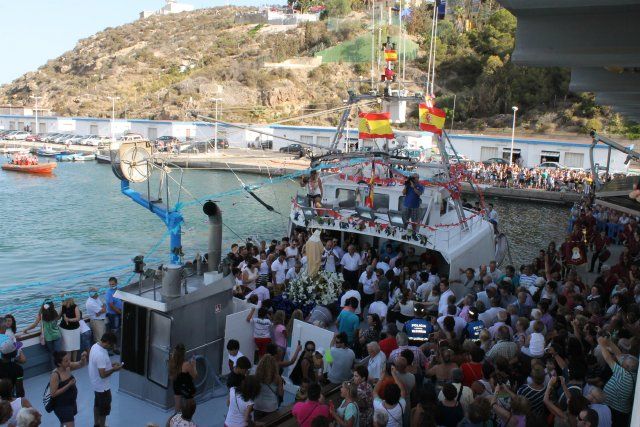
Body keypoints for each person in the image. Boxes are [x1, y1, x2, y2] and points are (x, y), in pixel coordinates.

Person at [88, 332, 121, 427]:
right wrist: (114, 369)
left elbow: (100, 365)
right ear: (107, 342)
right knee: (104, 410)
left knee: (97, 405)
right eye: (111, 345)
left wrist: (110, 365)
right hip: (103, 388)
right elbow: (102, 374)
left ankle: (96, 424)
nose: (113, 348)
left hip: (96, 385)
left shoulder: (95, 346)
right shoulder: (100, 354)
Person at [49, 351, 87, 427]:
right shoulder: (55, 375)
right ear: (59, 364)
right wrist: (68, 385)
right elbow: (53, 394)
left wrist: (83, 359)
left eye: (69, 359)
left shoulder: (68, 367)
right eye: (66, 361)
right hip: (62, 406)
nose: (69, 362)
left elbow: (80, 364)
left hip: (70, 402)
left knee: (64, 424)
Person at [23, 300, 61, 368]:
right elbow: (58, 319)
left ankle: (54, 369)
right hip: (57, 335)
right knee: (58, 354)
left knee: (52, 353)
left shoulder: (41, 314)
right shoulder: (54, 312)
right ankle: (60, 369)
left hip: (48, 337)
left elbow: (34, 324)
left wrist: (26, 329)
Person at [169, 344, 197, 412]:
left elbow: (171, 376)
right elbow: (195, 376)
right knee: (189, 406)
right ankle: (187, 418)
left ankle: (176, 419)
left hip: (176, 385)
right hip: (187, 387)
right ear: (184, 353)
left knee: (177, 405)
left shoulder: (171, 362)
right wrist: (194, 365)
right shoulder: (187, 365)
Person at [59, 296, 81, 362]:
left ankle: (74, 362)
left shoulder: (75, 307)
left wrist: (69, 319)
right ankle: (68, 363)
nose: (62, 301)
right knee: (67, 348)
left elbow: (78, 318)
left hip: (75, 329)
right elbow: (58, 317)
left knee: (75, 347)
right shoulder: (62, 307)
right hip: (65, 330)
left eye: (63, 299)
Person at [104, 277, 123, 354]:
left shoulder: (119, 290)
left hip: (119, 313)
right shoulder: (109, 292)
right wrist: (120, 312)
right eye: (110, 285)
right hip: (113, 314)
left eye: (113, 284)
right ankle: (113, 348)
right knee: (114, 331)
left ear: (116, 283)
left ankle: (116, 347)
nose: (112, 286)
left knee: (118, 330)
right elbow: (111, 305)